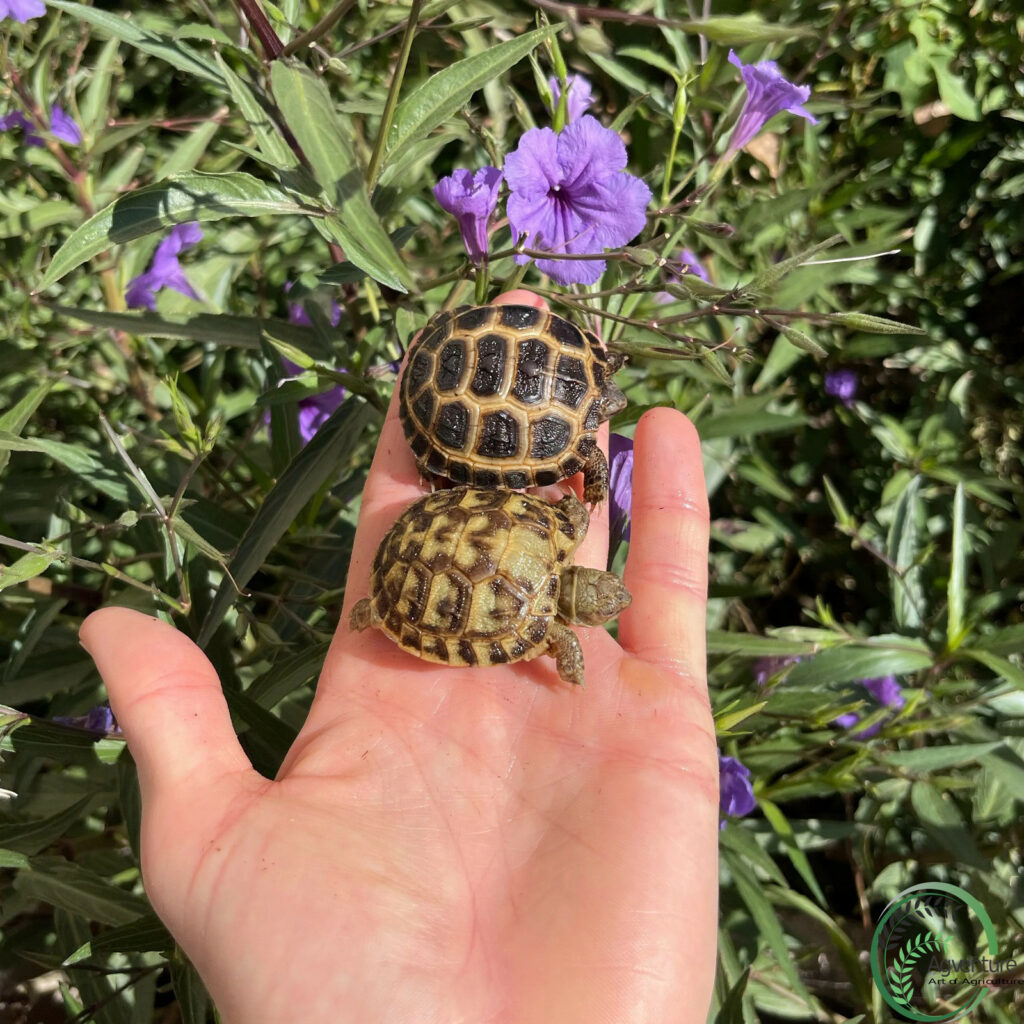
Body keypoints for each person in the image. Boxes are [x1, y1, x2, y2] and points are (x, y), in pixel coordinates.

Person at [80, 290, 718, 1024]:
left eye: (600, 598)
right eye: (602, 600)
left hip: (448, 548)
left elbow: (539, 517)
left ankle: (379, 607)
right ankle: (378, 607)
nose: (607, 601)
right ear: (576, 612)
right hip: (451, 566)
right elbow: (563, 603)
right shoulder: (551, 616)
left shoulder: (553, 532)